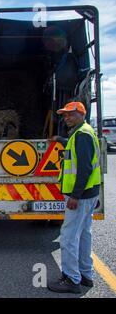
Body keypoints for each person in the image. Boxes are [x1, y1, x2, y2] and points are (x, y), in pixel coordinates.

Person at [47, 101, 101, 294]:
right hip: (89, 194)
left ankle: (71, 279)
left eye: (70, 114)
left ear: (81, 114)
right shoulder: (82, 132)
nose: (66, 118)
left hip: (80, 196)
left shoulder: (82, 135)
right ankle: (86, 275)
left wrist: (75, 196)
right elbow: (76, 150)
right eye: (64, 115)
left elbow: (85, 168)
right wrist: (59, 139)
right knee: (84, 235)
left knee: (69, 237)